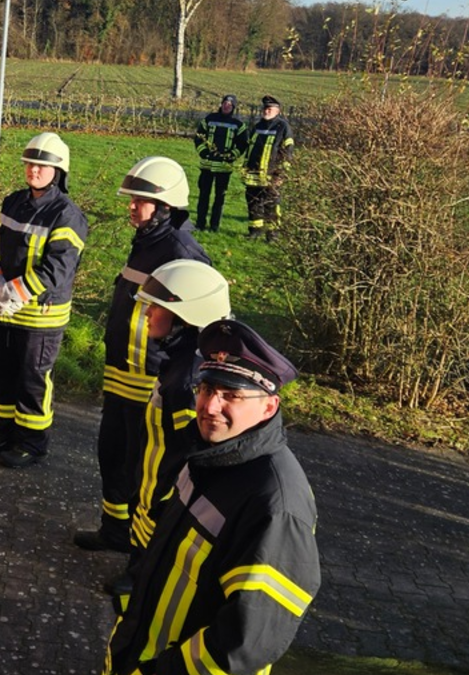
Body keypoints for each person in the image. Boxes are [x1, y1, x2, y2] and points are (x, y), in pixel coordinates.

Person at [103, 319, 320, 675]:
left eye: (231, 395)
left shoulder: (275, 505)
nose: (209, 406)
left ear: (269, 407)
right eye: (206, 389)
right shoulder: (207, 454)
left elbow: (245, 642)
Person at [74, 157, 210, 552]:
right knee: (113, 455)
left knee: (146, 472)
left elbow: (194, 325)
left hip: (152, 381)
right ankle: (114, 530)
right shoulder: (148, 241)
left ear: (165, 206)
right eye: (132, 199)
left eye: (141, 201)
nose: (132, 207)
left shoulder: (182, 252)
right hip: (122, 375)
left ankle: (141, 555)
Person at [107, 260, 232, 597]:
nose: (147, 314)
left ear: (184, 318)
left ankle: (144, 580)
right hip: (153, 478)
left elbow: (189, 450)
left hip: (165, 487)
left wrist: (164, 493)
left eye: (157, 307)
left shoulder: (187, 380)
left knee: (155, 531)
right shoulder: (179, 360)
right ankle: (139, 569)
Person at [0, 132, 88, 468]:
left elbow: (59, 268)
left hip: (41, 316)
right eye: (29, 163)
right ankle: (5, 433)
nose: (34, 170)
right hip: (4, 311)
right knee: (5, 376)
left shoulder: (66, 215)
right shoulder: (12, 202)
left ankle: (32, 443)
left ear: (59, 171)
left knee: (32, 381)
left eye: (42, 165)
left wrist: (15, 292)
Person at [238, 95, 294, 241]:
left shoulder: (283, 127)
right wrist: (245, 168)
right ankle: (254, 231)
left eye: (269, 109)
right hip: (253, 173)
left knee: (271, 205)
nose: (266, 111)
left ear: (277, 111)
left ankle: (272, 234)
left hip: (271, 175)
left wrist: (281, 174)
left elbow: (288, 151)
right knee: (253, 203)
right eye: (265, 108)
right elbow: (250, 149)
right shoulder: (258, 126)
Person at [193, 94, 246, 232]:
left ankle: (214, 226)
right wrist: (204, 152)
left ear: (233, 107)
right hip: (207, 165)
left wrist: (231, 156)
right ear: (221, 104)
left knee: (219, 198)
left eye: (230, 105)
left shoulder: (238, 125)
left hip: (224, 168)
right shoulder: (209, 119)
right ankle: (200, 224)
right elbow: (199, 137)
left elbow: (242, 144)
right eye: (225, 103)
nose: (226, 106)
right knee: (203, 196)